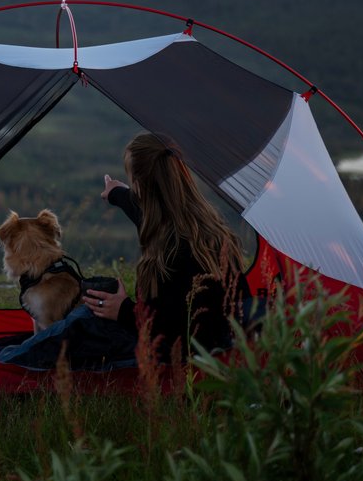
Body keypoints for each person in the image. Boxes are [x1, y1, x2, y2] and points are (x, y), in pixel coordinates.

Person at [80, 132, 249, 362]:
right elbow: (144, 213)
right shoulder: (201, 228)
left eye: (132, 181)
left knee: (82, 324)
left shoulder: (173, 251)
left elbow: (173, 327)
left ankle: (13, 369)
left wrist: (124, 311)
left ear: (140, 186)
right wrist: (116, 193)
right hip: (222, 346)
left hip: (183, 357)